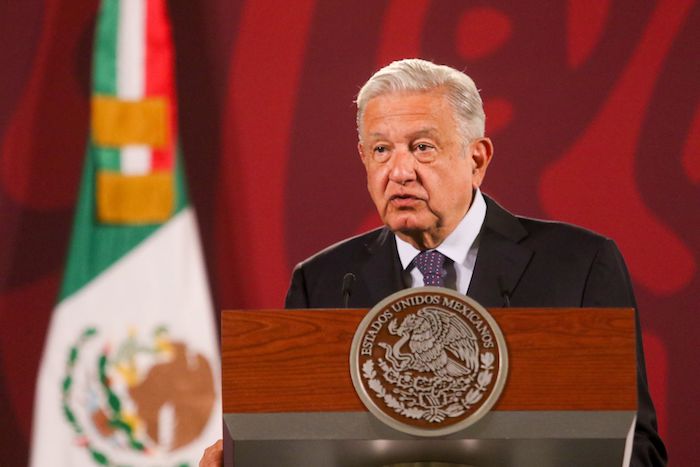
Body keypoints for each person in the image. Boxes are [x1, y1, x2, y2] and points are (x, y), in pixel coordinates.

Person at [202, 59, 667, 466]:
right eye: (381, 150)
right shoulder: (323, 283)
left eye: (422, 147)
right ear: (364, 159)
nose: (399, 171)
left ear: (477, 158)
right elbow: (297, 447)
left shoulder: (579, 265)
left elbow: (637, 448)